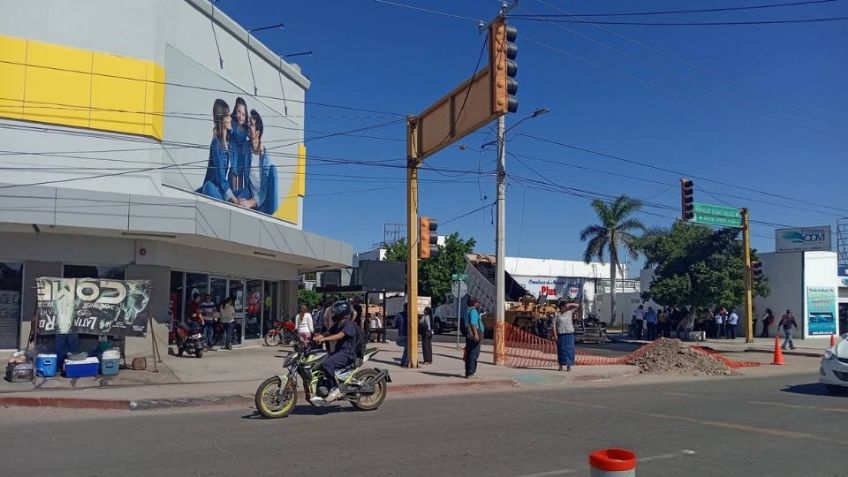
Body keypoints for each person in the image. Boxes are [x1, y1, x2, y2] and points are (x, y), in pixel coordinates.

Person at [313, 301, 359, 403]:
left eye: (335, 311)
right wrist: (316, 338)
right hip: (339, 351)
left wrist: (324, 340)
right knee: (320, 361)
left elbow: (340, 335)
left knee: (327, 364)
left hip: (347, 354)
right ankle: (326, 386)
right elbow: (327, 333)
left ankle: (336, 388)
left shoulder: (349, 323)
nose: (333, 313)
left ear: (342, 311)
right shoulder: (338, 324)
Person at [235, 110, 279, 215]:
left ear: (257, 133)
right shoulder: (246, 147)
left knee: (273, 170)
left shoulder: (265, 159)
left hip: (263, 204)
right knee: (236, 197)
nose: (248, 125)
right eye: (248, 122)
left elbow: (263, 192)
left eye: (251, 124)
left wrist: (250, 203)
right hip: (250, 196)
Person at [197, 99, 239, 205]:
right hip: (214, 189)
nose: (230, 119)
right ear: (221, 119)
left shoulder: (229, 144)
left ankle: (226, 202)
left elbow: (241, 133)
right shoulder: (216, 143)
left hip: (224, 193)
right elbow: (220, 176)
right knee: (208, 186)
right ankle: (226, 203)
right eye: (228, 116)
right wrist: (232, 197)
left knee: (245, 191)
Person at [229, 97, 251, 193]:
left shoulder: (246, 129)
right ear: (235, 111)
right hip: (233, 151)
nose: (240, 116)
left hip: (242, 153)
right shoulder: (233, 124)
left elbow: (251, 137)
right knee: (234, 172)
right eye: (238, 112)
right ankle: (233, 191)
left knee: (241, 173)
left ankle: (240, 193)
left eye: (243, 114)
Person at [553, 301, 578, 372]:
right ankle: (560, 365)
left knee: (570, 351)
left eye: (567, 307)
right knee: (561, 350)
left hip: (569, 334)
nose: (566, 308)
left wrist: (570, 304)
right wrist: (555, 335)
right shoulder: (556, 314)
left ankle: (568, 366)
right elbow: (553, 325)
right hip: (561, 335)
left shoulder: (569, 312)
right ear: (561, 307)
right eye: (565, 306)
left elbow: (577, 305)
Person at [464, 297, 484, 379]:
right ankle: (471, 372)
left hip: (468, 334)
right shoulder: (473, 311)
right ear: (474, 304)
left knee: (469, 353)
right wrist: (476, 334)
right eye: (477, 303)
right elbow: (473, 324)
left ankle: (468, 371)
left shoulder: (466, 310)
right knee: (474, 353)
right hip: (474, 334)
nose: (479, 304)